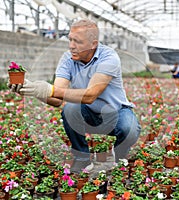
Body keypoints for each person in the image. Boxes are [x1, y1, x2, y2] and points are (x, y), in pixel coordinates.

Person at [9, 18, 141, 173]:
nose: (71, 46)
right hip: (88, 113)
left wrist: (49, 89)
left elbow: (90, 95)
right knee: (70, 108)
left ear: (93, 44)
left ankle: (120, 156)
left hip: (116, 112)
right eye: (70, 40)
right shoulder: (67, 59)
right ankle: (82, 158)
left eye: (77, 41)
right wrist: (33, 90)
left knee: (129, 129)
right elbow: (57, 99)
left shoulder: (109, 58)